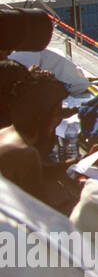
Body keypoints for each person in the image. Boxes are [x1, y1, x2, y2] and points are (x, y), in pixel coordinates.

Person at [0, 67, 74, 213]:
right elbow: (41, 212)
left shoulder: (7, 131)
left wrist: (79, 163)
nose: (59, 121)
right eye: (58, 113)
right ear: (42, 116)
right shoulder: (25, 153)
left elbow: (39, 172)